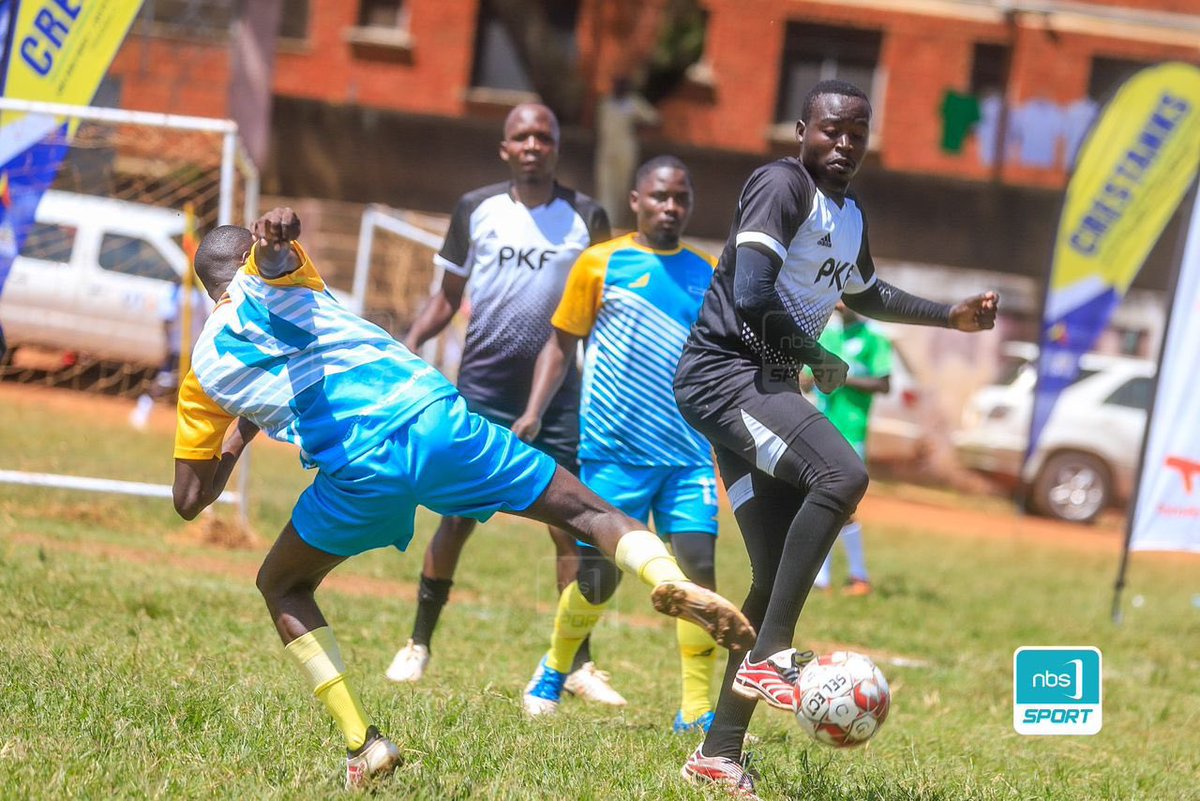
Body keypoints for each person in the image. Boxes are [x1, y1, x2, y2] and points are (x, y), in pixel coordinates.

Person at [171, 207, 756, 789]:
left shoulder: (203, 368)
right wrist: (274, 240)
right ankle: (663, 578)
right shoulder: (277, 270)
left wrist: (243, 418)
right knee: (587, 509)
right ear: (246, 250)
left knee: (281, 585)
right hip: (432, 421)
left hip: (355, 469)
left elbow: (192, 497)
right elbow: (273, 257)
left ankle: (363, 742)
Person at [671, 79, 998, 797]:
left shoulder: (848, 214)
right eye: (831, 129)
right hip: (725, 377)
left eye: (858, 131)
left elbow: (867, 292)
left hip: (764, 388)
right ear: (801, 130)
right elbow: (753, 295)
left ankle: (718, 751)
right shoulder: (780, 184)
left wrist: (951, 317)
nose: (844, 142)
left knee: (770, 572)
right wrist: (816, 356)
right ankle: (772, 654)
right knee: (843, 475)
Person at [386, 103, 620, 702]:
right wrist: (412, 341)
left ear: (558, 145)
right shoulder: (476, 209)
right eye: (523, 136)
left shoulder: (588, 216)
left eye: (545, 135)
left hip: (559, 397)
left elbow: (606, 306)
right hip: (483, 392)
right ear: (505, 148)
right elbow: (448, 297)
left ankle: (577, 665)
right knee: (458, 519)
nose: (534, 145)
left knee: (573, 526)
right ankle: (417, 644)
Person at [513, 156, 721, 731]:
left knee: (697, 573)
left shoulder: (707, 273)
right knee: (599, 577)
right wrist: (534, 411)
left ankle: (697, 708)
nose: (671, 207)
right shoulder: (600, 263)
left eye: (681, 197)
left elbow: (721, 360)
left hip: (687, 453)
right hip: (615, 449)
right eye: (659, 197)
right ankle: (554, 670)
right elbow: (560, 345)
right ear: (636, 200)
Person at [808, 303, 891, 596]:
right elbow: (807, 379)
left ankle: (857, 576)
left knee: (842, 505)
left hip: (851, 431)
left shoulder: (873, 337)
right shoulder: (828, 336)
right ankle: (823, 578)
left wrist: (841, 377)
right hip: (821, 428)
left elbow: (884, 383)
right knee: (821, 500)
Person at [131, 278, 210, 430]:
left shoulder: (201, 294)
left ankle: (194, 422)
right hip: (178, 347)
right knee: (165, 380)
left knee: (197, 386)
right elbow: (167, 319)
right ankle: (142, 410)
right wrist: (167, 345)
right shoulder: (176, 292)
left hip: (195, 349)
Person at [595, 76, 660, 226]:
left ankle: (617, 223)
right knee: (605, 185)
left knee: (622, 187)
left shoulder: (633, 103)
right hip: (606, 149)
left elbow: (655, 120)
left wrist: (639, 128)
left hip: (625, 149)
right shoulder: (605, 103)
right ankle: (605, 222)